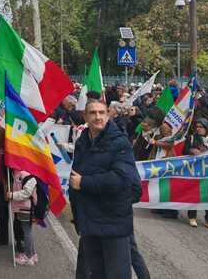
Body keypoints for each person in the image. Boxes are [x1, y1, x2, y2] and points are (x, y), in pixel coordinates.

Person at [69, 96, 141, 279]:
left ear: (108, 115)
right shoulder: (82, 142)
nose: (98, 117)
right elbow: (74, 178)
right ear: (85, 116)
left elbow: (123, 179)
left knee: (117, 274)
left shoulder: (120, 142)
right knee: (96, 273)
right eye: (92, 113)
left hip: (113, 222)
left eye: (102, 112)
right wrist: (77, 214)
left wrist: (85, 183)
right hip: (90, 221)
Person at [184, 118, 208, 230]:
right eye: (197, 127)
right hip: (195, 171)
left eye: (201, 127)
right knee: (194, 192)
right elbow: (184, 152)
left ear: (206, 128)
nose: (198, 129)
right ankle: (192, 216)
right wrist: (191, 151)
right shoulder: (192, 138)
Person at [6, 169, 39, 266]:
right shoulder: (16, 174)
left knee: (27, 232)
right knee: (28, 231)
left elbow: (26, 192)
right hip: (23, 208)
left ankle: (28, 257)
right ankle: (33, 254)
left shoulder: (24, 174)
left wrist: (12, 195)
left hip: (26, 208)